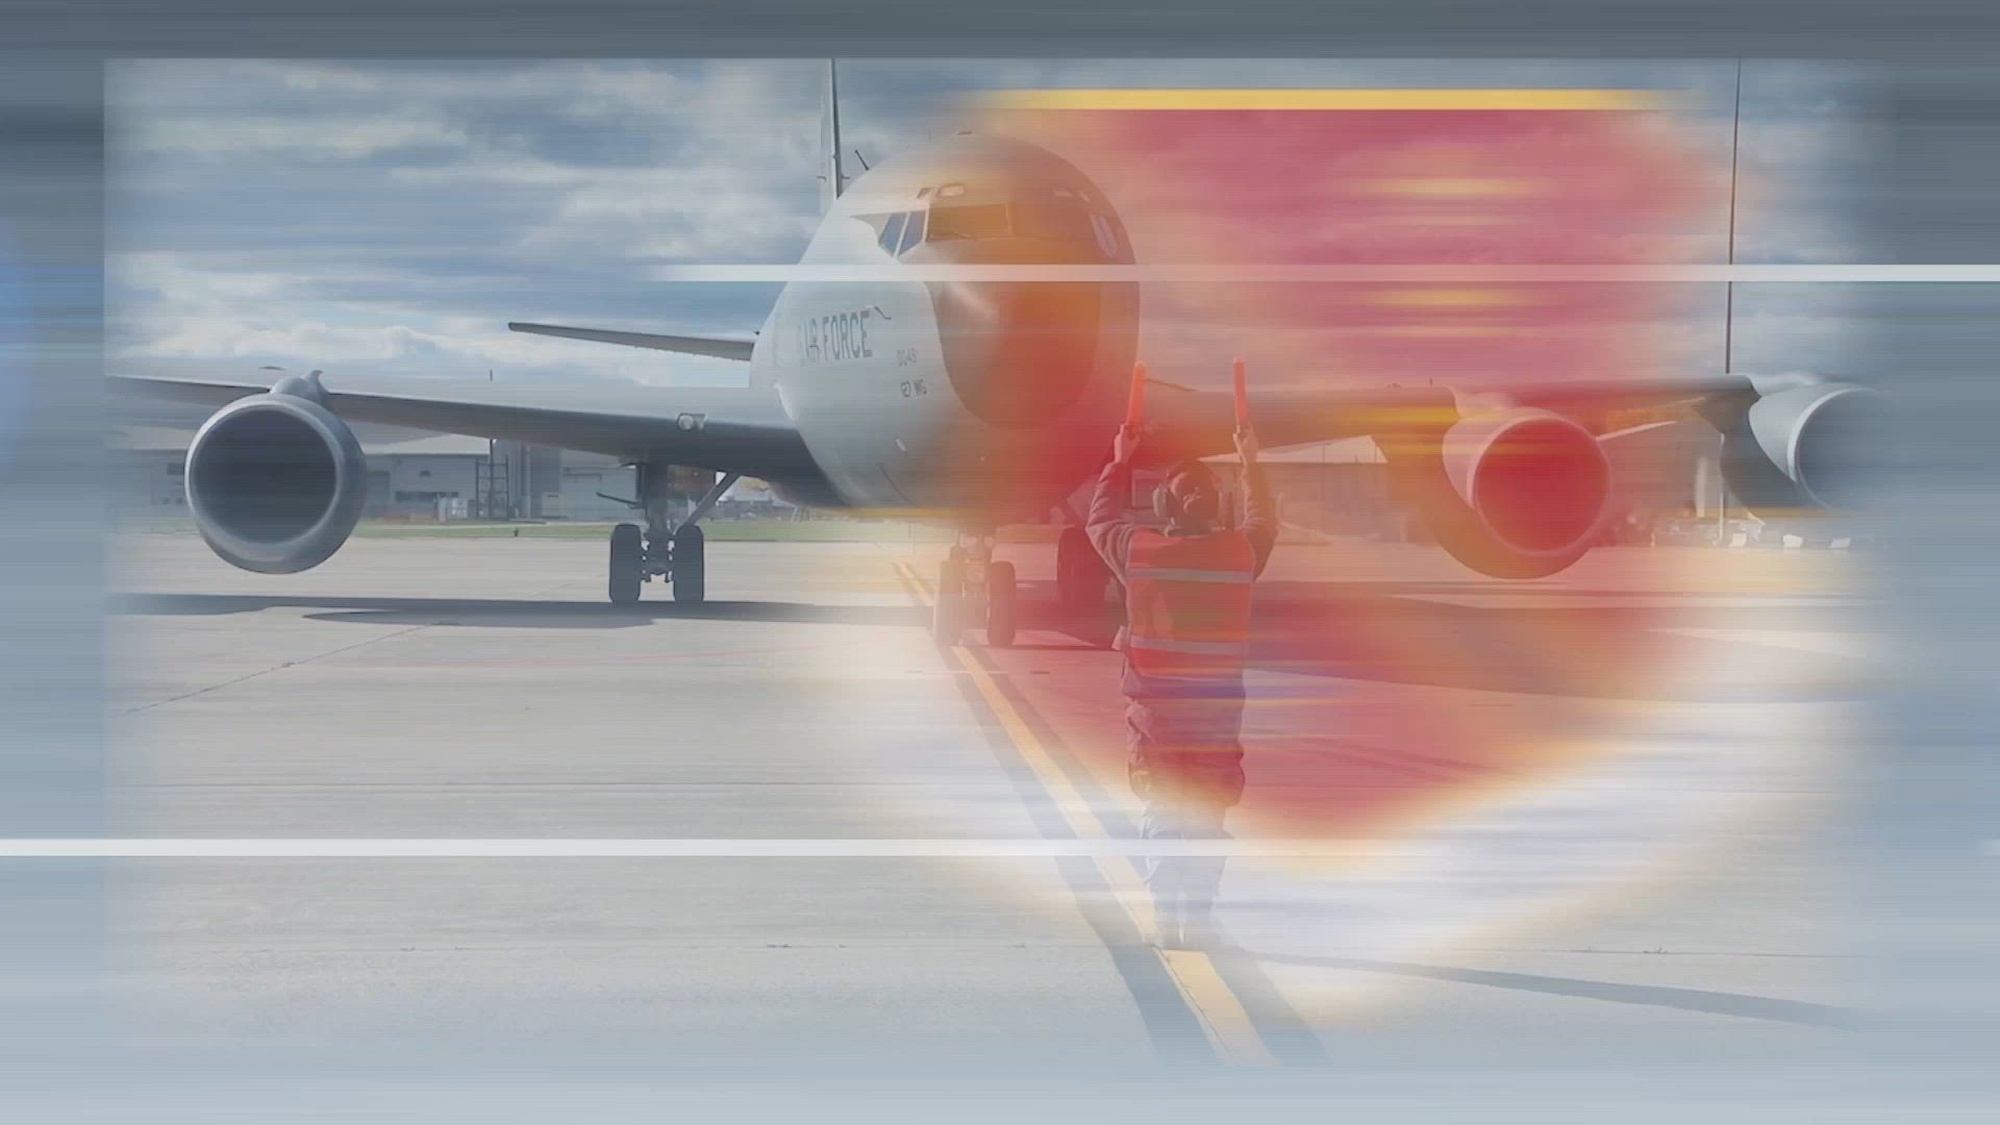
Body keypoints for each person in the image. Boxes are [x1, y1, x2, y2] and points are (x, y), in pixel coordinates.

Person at [1087, 423, 1276, 950]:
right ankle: (1200, 916)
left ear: (1164, 507)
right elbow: (1265, 522)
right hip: (1216, 715)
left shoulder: (1139, 553)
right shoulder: (1239, 553)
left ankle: (1167, 917)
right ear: (1218, 506)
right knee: (1208, 815)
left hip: (1155, 713)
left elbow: (1100, 519)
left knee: (1164, 811)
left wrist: (1120, 460)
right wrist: (1251, 463)